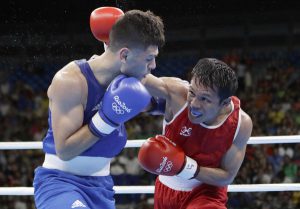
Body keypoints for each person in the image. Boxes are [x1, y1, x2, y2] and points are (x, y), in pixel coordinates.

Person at [33, 7, 165, 209]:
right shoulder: (70, 81)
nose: (153, 65)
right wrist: (106, 119)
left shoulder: (129, 79)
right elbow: (65, 151)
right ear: (124, 55)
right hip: (60, 183)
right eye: (149, 58)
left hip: (101, 186)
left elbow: (171, 90)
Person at [138, 58, 253, 209]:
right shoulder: (177, 93)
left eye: (204, 99)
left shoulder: (240, 123)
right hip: (165, 191)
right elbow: (137, 76)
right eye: (192, 93)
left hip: (207, 194)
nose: (194, 104)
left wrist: (184, 166)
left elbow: (226, 176)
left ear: (224, 103)